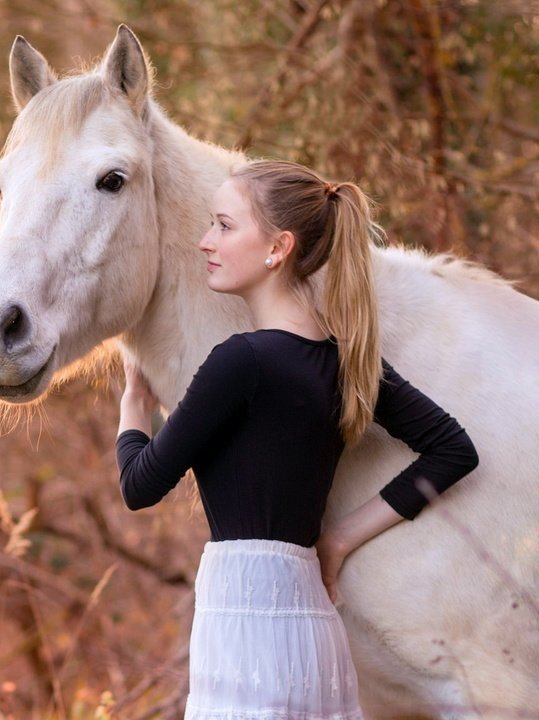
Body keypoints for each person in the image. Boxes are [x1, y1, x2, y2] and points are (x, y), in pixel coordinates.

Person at [115, 160, 479, 719]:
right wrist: (338, 541)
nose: (205, 241)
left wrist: (134, 412)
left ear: (278, 247)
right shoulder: (346, 362)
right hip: (312, 625)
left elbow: (140, 486)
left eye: (224, 225)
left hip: (244, 621)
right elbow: (453, 449)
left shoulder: (240, 362)